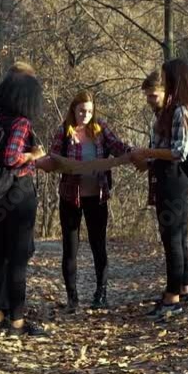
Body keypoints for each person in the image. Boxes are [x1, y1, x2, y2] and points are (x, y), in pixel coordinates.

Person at [0, 62, 53, 337]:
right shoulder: (21, 123)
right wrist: (33, 155)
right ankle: (17, 323)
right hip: (18, 194)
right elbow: (12, 157)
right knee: (18, 258)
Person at [130, 59, 188, 319]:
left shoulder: (182, 112)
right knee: (178, 237)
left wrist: (147, 152)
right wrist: (146, 159)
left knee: (172, 238)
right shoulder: (172, 111)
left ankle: (172, 298)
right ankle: (183, 287)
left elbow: (178, 151)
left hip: (174, 181)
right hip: (168, 179)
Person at [51, 91, 132, 312]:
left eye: (89, 111)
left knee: (98, 244)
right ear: (74, 110)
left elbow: (118, 147)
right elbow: (53, 157)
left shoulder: (100, 128)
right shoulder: (64, 131)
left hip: (97, 196)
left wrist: (135, 153)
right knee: (70, 248)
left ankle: (101, 294)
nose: (85, 115)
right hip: (71, 196)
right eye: (81, 111)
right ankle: (72, 298)